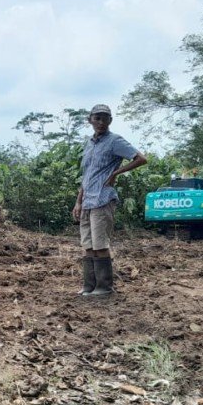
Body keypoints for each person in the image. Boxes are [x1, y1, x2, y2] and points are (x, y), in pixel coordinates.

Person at [71, 104, 147, 296]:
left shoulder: (115, 141)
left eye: (105, 118)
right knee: (87, 245)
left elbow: (140, 158)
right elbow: (87, 175)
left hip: (103, 199)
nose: (101, 122)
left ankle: (104, 287)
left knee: (100, 244)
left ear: (110, 121)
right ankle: (89, 285)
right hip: (87, 200)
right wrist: (78, 202)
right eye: (97, 118)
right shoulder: (89, 144)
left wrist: (116, 173)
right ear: (90, 120)